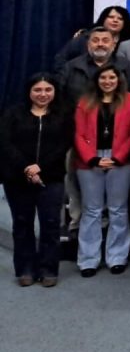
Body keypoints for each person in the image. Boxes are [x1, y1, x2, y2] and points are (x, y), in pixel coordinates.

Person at [0, 73, 73, 287]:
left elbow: (63, 145)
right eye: (38, 90)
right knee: (22, 224)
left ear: (54, 92)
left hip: (51, 178)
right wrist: (26, 167)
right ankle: (26, 269)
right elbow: (5, 143)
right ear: (29, 92)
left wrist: (40, 167)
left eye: (48, 90)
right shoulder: (13, 113)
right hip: (17, 177)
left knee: (50, 224)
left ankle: (48, 268)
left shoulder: (63, 115)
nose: (43, 94)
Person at [73, 64, 130, 276]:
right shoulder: (85, 101)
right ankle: (88, 260)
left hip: (120, 160)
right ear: (97, 80)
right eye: (103, 78)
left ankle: (117, 257)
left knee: (118, 209)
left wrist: (117, 157)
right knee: (92, 210)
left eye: (112, 77)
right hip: (90, 161)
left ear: (118, 79)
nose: (107, 82)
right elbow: (79, 133)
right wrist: (93, 158)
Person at [58, 26, 130, 104]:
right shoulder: (72, 66)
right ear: (88, 45)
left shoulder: (126, 66)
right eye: (95, 40)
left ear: (113, 45)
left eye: (105, 41)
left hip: (118, 118)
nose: (100, 44)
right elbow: (60, 95)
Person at [54, 5, 130, 71]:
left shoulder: (129, 43)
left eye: (120, 18)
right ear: (103, 19)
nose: (115, 20)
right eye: (111, 17)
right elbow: (61, 59)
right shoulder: (84, 38)